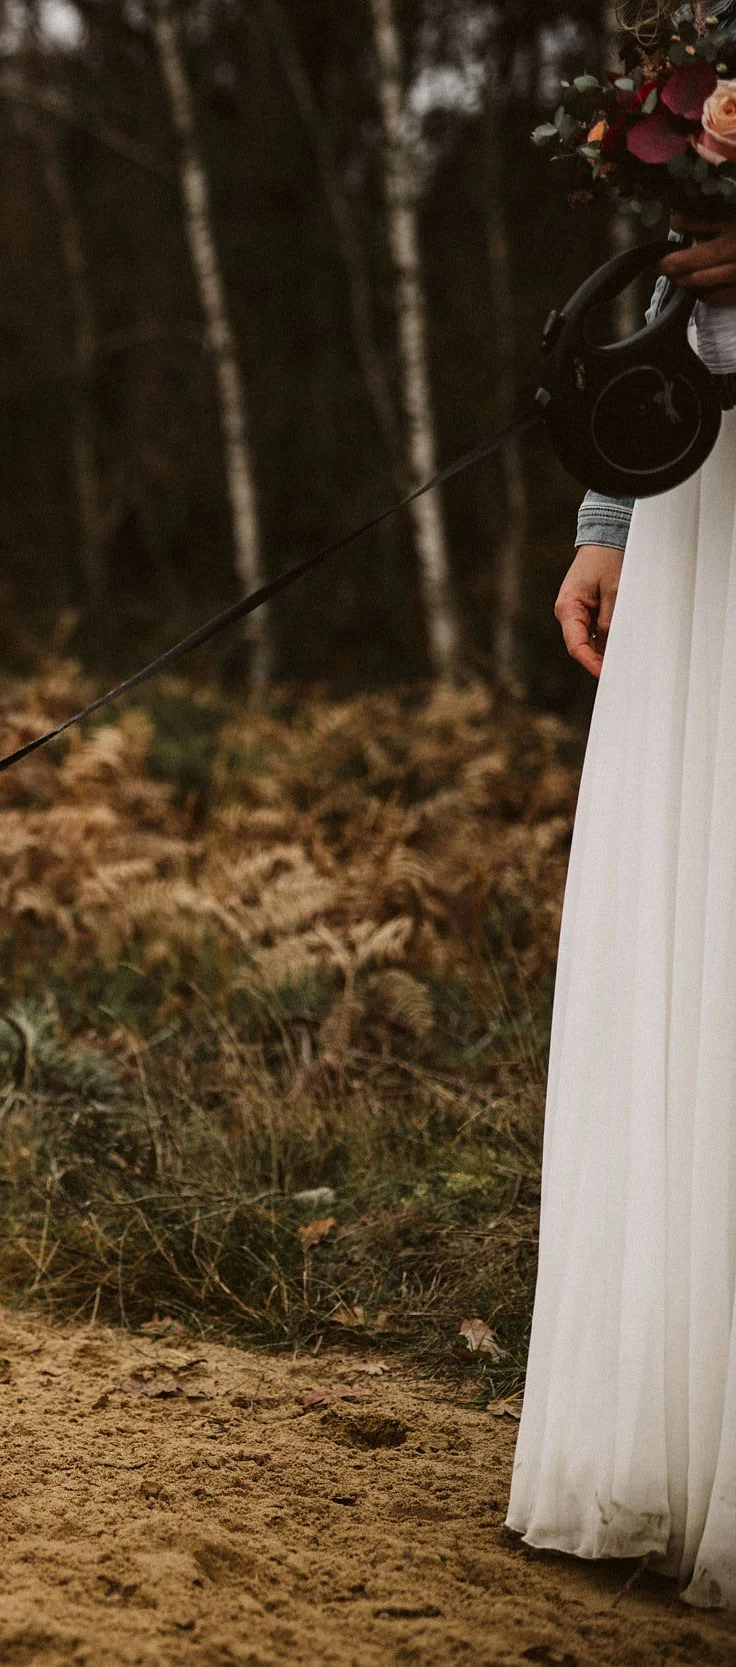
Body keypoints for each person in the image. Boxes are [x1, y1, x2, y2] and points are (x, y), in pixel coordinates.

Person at [511, 154, 736, 1601]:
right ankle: (666, 1422)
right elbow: (680, 280)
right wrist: (610, 520)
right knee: (685, 934)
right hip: (698, 496)